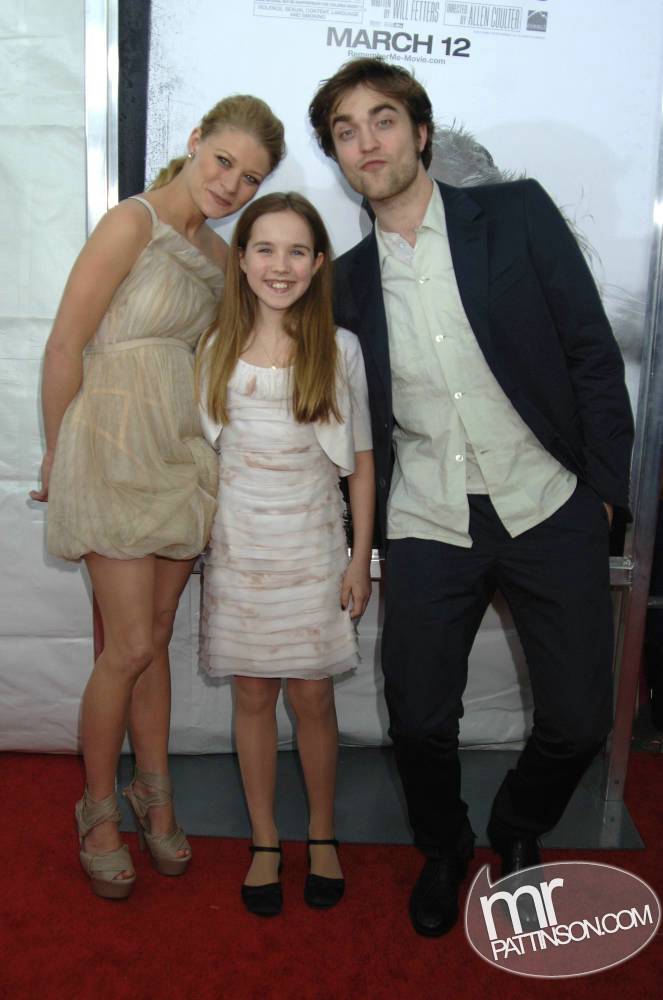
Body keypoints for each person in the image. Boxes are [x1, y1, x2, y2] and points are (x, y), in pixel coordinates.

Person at [309, 58, 634, 936]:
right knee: (417, 720)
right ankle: (444, 845)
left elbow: (590, 353)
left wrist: (603, 497)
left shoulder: (516, 215)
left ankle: (517, 825)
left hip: (547, 501)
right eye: (345, 131)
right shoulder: (343, 284)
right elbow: (344, 421)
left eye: (382, 120)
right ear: (337, 158)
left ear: (420, 133)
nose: (366, 142)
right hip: (427, 515)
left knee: (578, 721)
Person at [30, 95, 285, 899]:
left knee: (159, 635)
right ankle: (98, 808)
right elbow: (65, 344)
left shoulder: (218, 256)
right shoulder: (129, 223)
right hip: (108, 443)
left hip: (178, 448)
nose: (231, 185)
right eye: (224, 161)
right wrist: (58, 452)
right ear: (195, 140)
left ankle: (154, 792)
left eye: (250, 178)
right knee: (129, 644)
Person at [197, 191, 374, 916]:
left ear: (318, 262)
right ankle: (265, 841)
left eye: (297, 250)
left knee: (311, 696)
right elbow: (202, 459)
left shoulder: (340, 349)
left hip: (312, 548)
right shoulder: (214, 349)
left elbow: (361, 462)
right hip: (241, 552)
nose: (280, 265)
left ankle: (322, 834)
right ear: (241, 260)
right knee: (251, 694)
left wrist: (359, 558)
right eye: (265, 249)